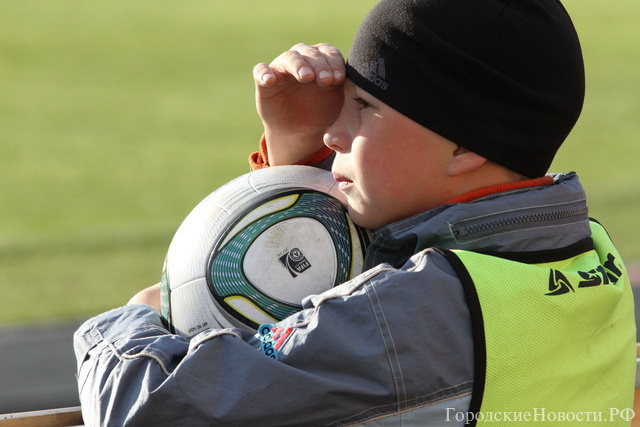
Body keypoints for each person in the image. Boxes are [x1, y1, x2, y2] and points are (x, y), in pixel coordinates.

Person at [74, 0, 637, 425]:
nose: (334, 130)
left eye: (364, 108)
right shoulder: (586, 252)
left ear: (466, 146)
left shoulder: (411, 313)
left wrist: (137, 317)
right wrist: (300, 154)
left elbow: (146, 409)